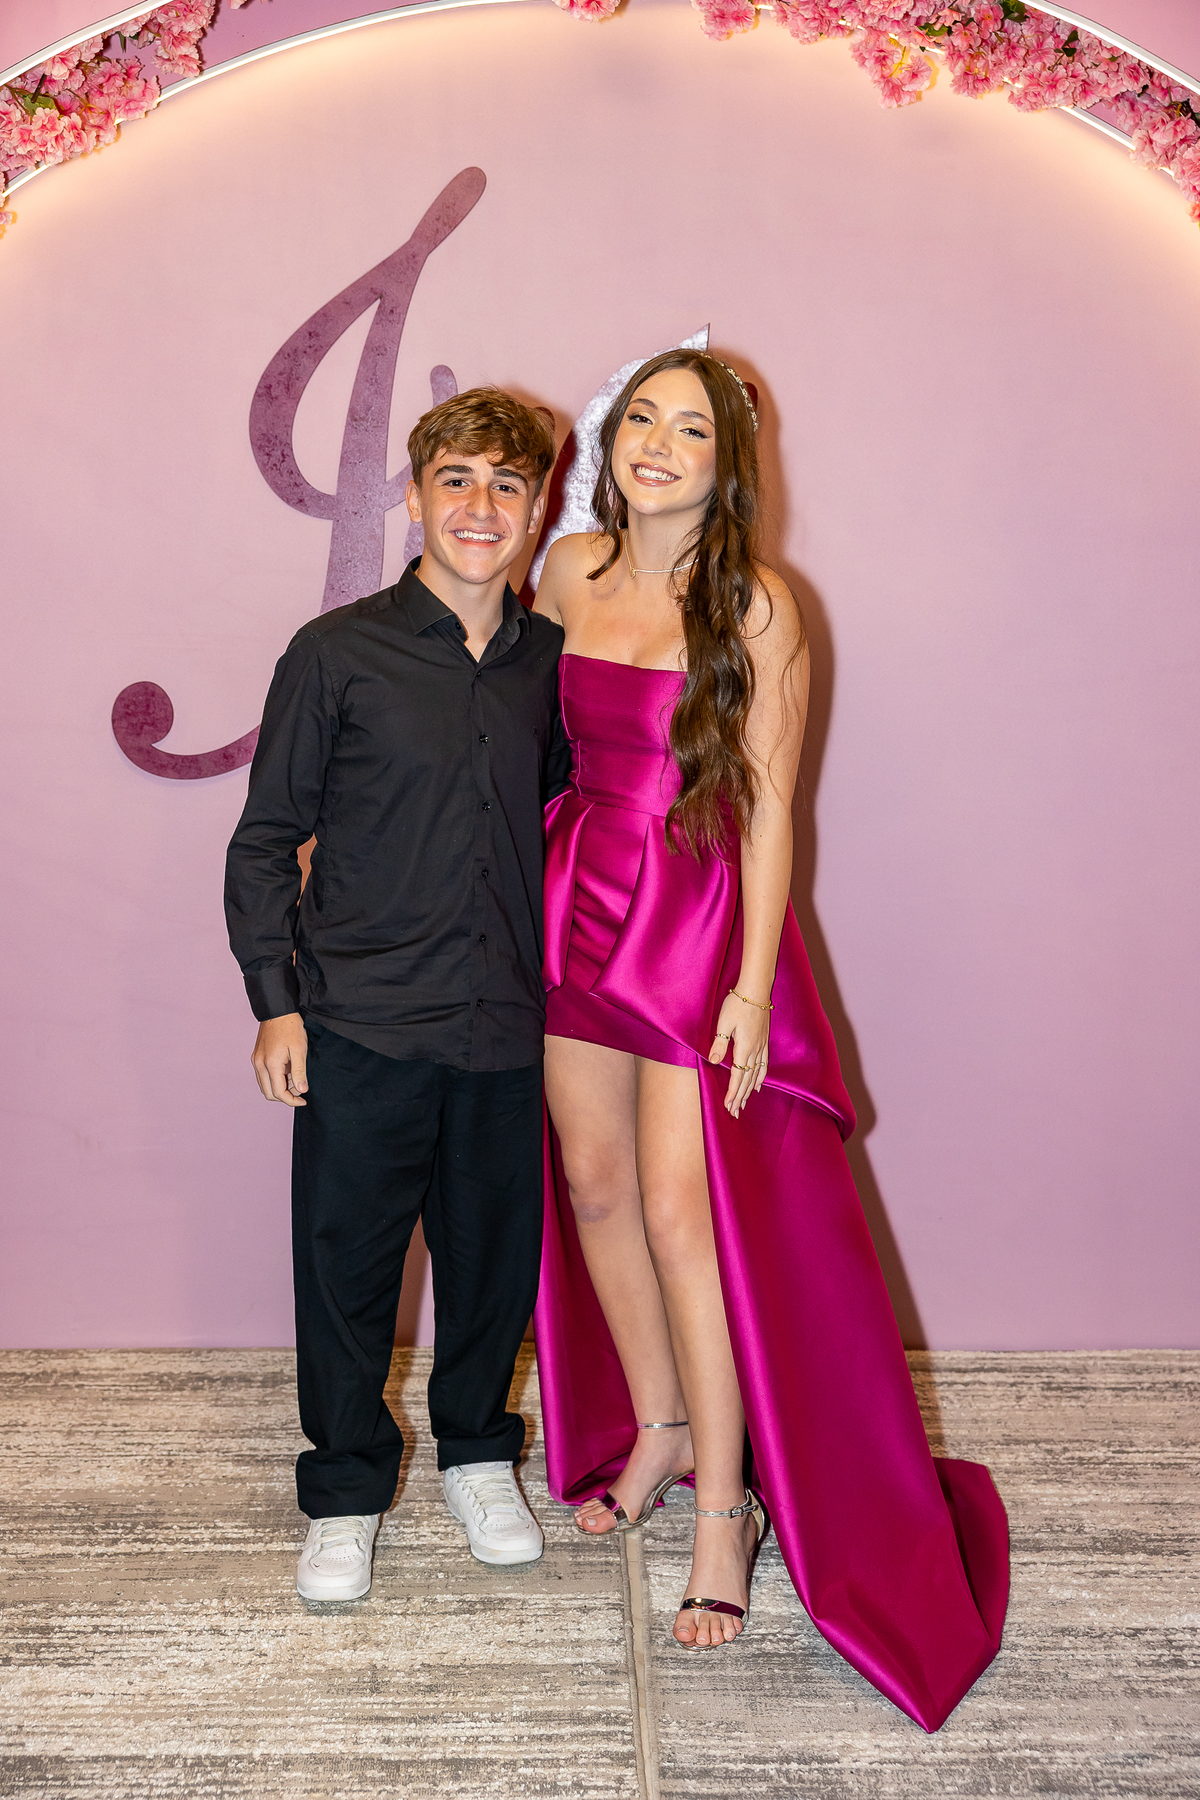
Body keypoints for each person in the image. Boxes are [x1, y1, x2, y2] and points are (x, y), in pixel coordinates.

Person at [531, 350, 1008, 1731]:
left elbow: (770, 805)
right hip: (572, 897)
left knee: (684, 1211)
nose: (657, 443)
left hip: (691, 917)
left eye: (691, 429)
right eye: (642, 418)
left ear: (728, 462)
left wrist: (750, 988)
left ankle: (725, 1513)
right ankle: (661, 1426)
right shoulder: (566, 574)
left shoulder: (757, 602)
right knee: (595, 1187)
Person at [225, 388, 570, 1601]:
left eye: (508, 485)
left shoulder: (549, 664)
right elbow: (265, 840)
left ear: (537, 509)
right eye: (457, 479)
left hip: (503, 1023)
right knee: (347, 1269)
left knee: (492, 1264)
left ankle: (478, 1456)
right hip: (359, 1021)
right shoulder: (335, 653)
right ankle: (344, 1491)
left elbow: (568, 816)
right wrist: (276, 1003)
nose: (482, 506)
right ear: (417, 498)